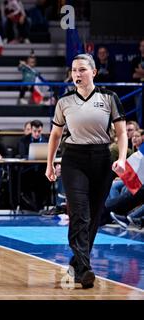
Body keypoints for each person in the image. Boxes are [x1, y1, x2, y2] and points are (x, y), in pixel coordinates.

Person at [46, 54, 127, 289]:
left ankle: (76, 266)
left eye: (82, 69)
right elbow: (55, 135)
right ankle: (85, 269)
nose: (77, 74)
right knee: (79, 213)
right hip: (74, 159)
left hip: (102, 158)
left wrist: (121, 159)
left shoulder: (109, 98)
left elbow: (121, 133)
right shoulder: (64, 101)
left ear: (94, 72)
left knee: (93, 216)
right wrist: (49, 163)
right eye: (74, 70)